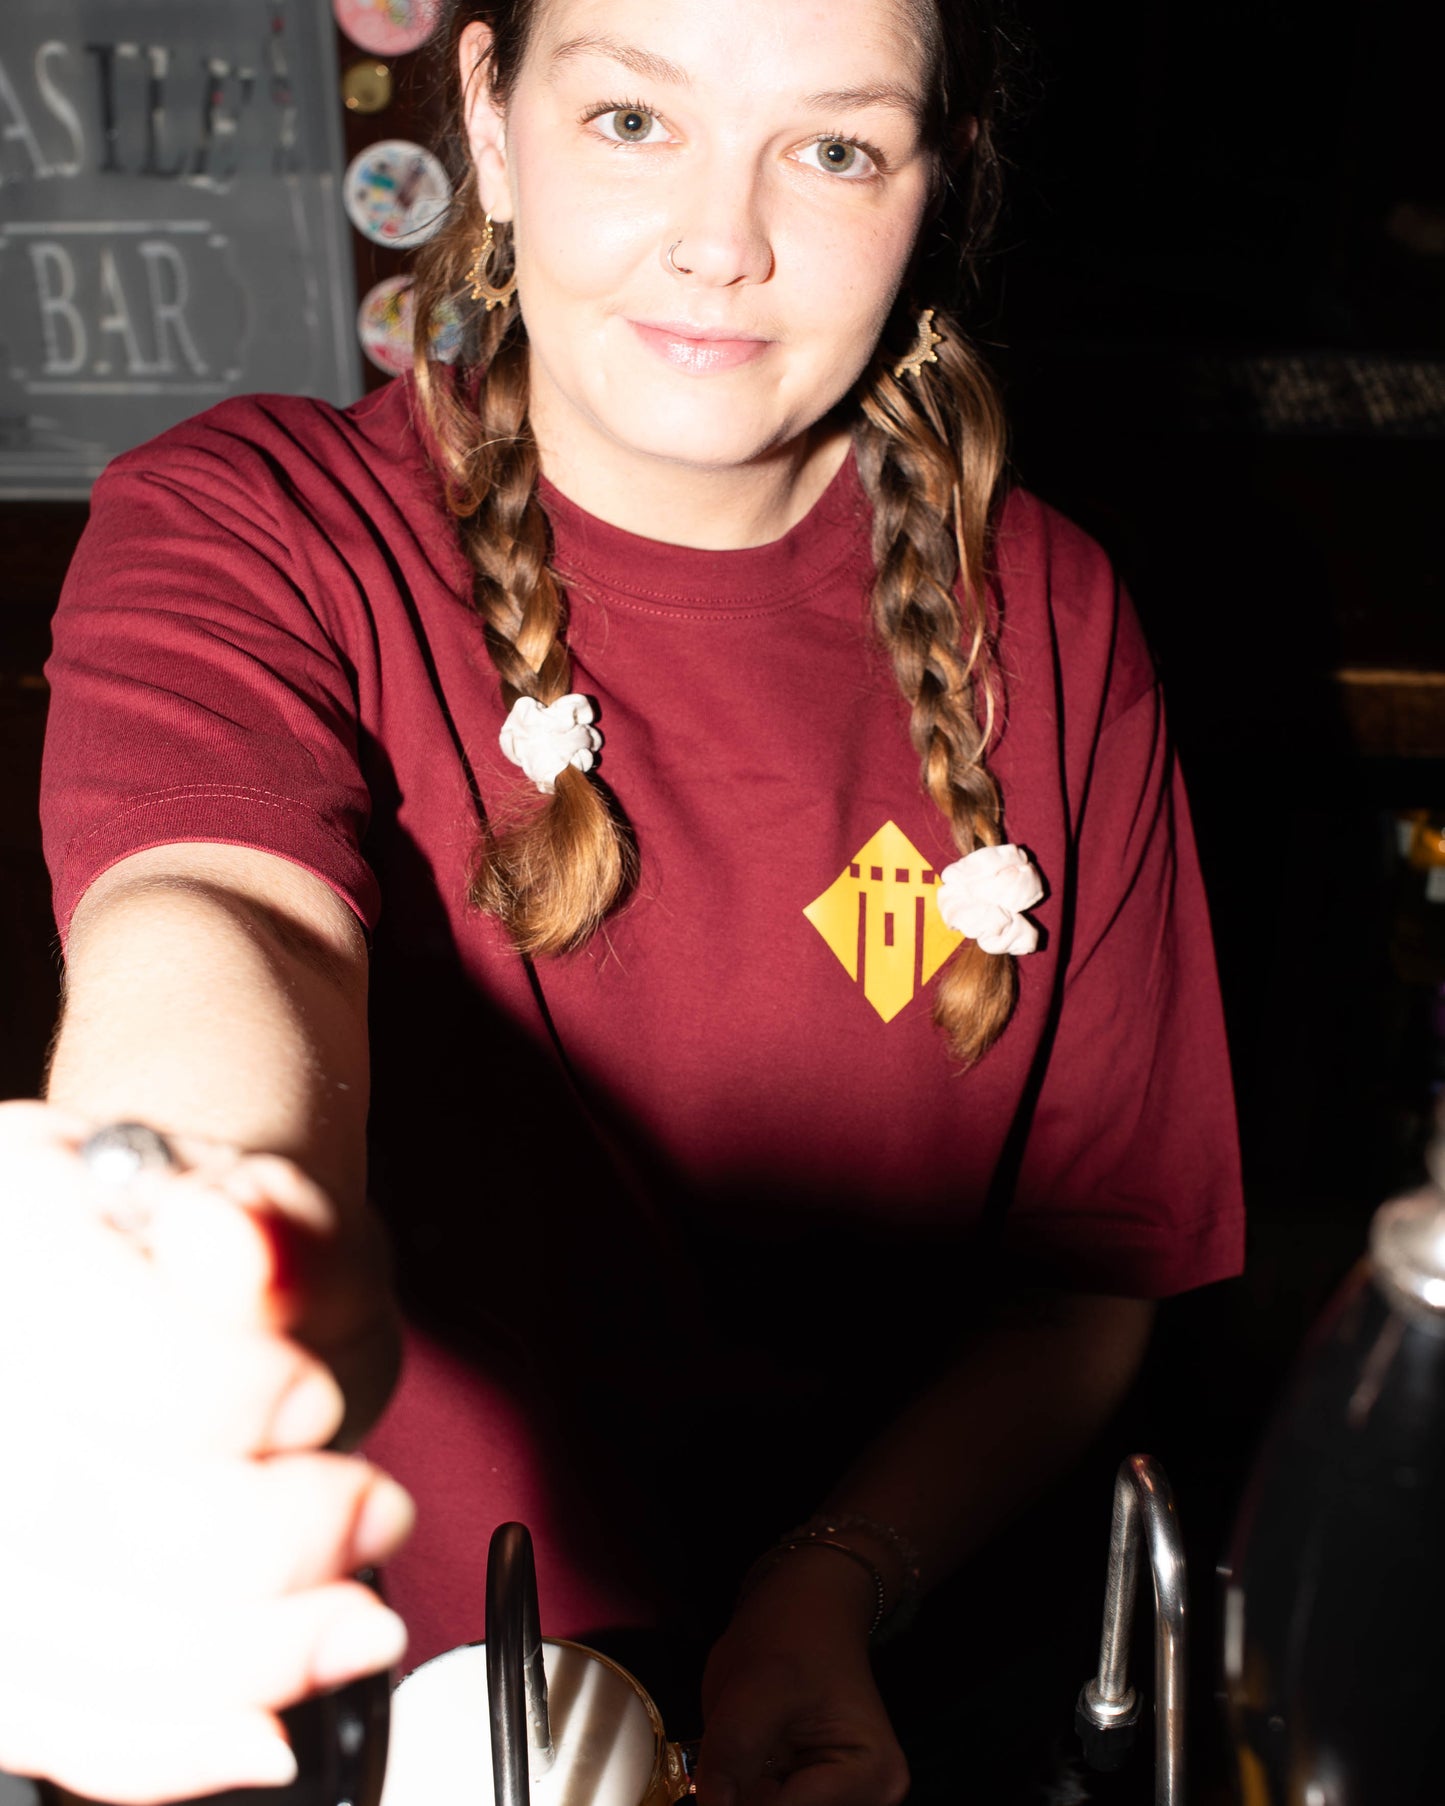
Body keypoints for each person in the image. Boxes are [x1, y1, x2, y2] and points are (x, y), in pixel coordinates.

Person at [1, 0, 1244, 1800]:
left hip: (892, 1671)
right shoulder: (254, 525)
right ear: (491, 120)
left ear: (932, 185)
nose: (721, 243)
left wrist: (832, 1583)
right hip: (392, 1687)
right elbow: (223, 916)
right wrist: (170, 1254)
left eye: (832, 148)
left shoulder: (1048, 618)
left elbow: (1082, 1289)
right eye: (631, 122)